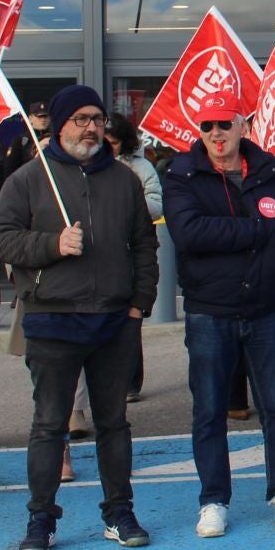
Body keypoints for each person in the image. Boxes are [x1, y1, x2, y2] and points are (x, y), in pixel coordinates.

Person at [0, 86, 159, 550]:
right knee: (49, 426)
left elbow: (145, 245)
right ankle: (41, 519)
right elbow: (0, 240)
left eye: (97, 118)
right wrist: (51, 245)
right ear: (60, 124)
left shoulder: (124, 181)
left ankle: (119, 511)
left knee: (114, 423)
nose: (90, 127)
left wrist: (138, 304)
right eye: (81, 118)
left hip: (112, 320)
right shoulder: (27, 179)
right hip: (51, 318)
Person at [163, 94, 275, 537]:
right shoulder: (182, 173)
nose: (216, 134)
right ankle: (213, 500)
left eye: (224, 125)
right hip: (209, 311)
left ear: (243, 127)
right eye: (207, 126)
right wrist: (256, 230)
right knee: (210, 410)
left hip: (267, 308)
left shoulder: (274, 170)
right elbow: (188, 232)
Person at [104, 111, 159, 405]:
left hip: (130, 252)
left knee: (131, 319)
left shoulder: (141, 168)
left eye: (112, 142)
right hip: (100, 256)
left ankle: (130, 382)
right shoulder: (85, 167)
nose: (106, 147)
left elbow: (156, 204)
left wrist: (125, 204)